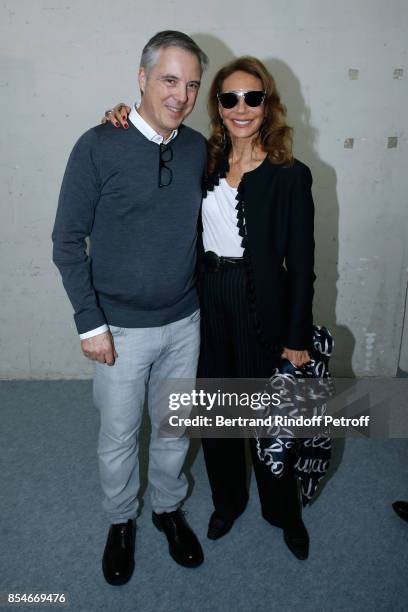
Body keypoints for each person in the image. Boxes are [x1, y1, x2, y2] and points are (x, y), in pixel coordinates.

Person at [106, 56, 316, 560]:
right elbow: (151, 137)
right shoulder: (201, 158)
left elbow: (303, 264)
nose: (241, 108)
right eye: (229, 98)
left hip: (261, 302)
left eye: (253, 97)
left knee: (269, 416)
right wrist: (120, 115)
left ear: (268, 103)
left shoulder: (291, 174)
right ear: (217, 107)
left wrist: (297, 337)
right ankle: (229, 502)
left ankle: (282, 510)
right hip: (206, 300)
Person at [52, 31, 209, 585]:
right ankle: (121, 522)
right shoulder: (97, 144)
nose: (181, 95)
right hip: (117, 327)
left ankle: (167, 509)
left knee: (173, 429)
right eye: (169, 80)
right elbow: (66, 240)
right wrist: (88, 322)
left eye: (191, 84)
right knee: (120, 436)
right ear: (141, 78)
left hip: (184, 322)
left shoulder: (195, 148)